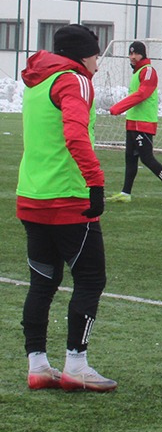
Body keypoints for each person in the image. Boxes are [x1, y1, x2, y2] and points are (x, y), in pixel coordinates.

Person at [17, 24, 117, 392]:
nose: (97, 64)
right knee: (90, 280)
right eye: (95, 56)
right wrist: (95, 182)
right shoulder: (74, 80)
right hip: (69, 198)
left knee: (42, 283)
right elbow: (74, 134)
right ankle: (77, 364)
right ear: (82, 55)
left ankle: (38, 365)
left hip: (32, 196)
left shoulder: (35, 82)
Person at [105, 41, 162, 205]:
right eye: (130, 53)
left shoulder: (148, 71)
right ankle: (126, 193)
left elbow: (142, 94)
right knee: (130, 159)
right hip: (133, 122)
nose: (133, 57)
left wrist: (118, 107)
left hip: (143, 123)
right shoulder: (138, 71)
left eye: (136, 54)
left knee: (147, 158)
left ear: (143, 54)